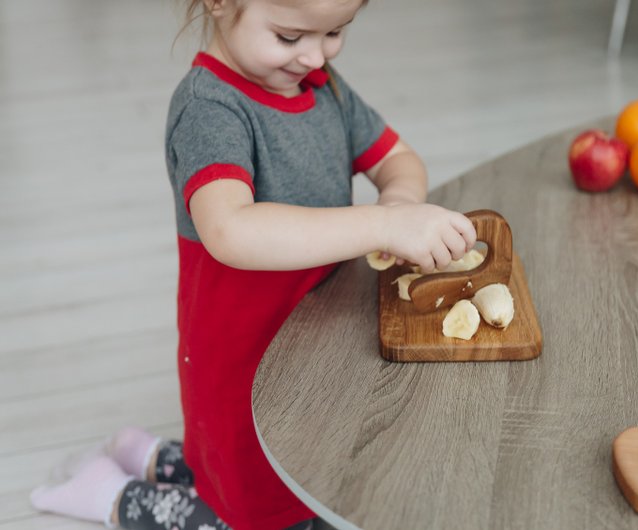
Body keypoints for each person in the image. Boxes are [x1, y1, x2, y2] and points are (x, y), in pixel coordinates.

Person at [30, 0, 477, 528]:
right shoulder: (209, 108)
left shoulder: (321, 85)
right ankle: (112, 495)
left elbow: (397, 159)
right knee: (252, 504)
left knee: (292, 466)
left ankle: (150, 454)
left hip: (314, 336)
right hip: (245, 354)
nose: (314, 56)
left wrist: (399, 204)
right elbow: (231, 230)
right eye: (290, 37)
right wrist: (377, 226)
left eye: (335, 31)